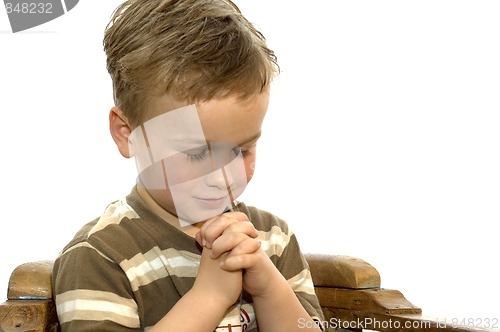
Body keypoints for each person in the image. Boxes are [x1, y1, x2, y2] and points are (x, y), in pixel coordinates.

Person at [52, 0, 324, 331]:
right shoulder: (101, 257)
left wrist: (269, 288)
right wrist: (208, 298)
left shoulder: (271, 240)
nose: (222, 179)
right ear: (129, 135)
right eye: (196, 154)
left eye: (242, 150)